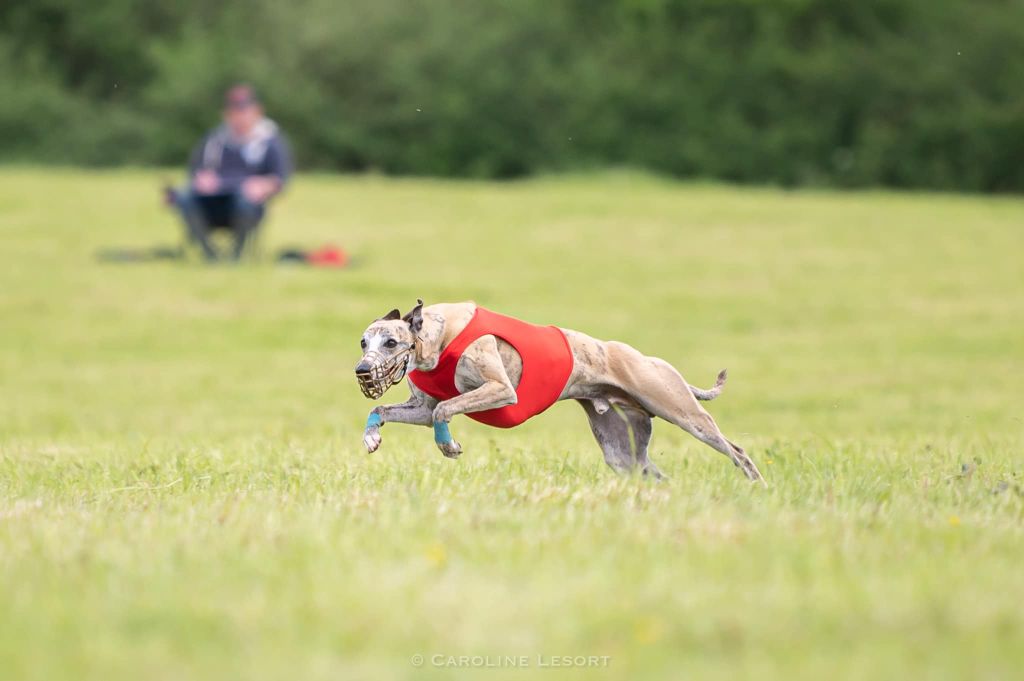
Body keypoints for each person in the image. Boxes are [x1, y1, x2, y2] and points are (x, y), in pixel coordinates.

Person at [168, 84, 292, 260]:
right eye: (234, 112)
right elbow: (195, 173)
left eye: (244, 111)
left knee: (244, 201)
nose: (239, 117)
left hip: (246, 207)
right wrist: (202, 180)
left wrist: (264, 186)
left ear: (257, 111)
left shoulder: (270, 142)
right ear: (226, 114)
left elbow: (280, 180)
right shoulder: (214, 141)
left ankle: (236, 255)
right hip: (212, 204)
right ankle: (210, 254)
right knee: (184, 198)